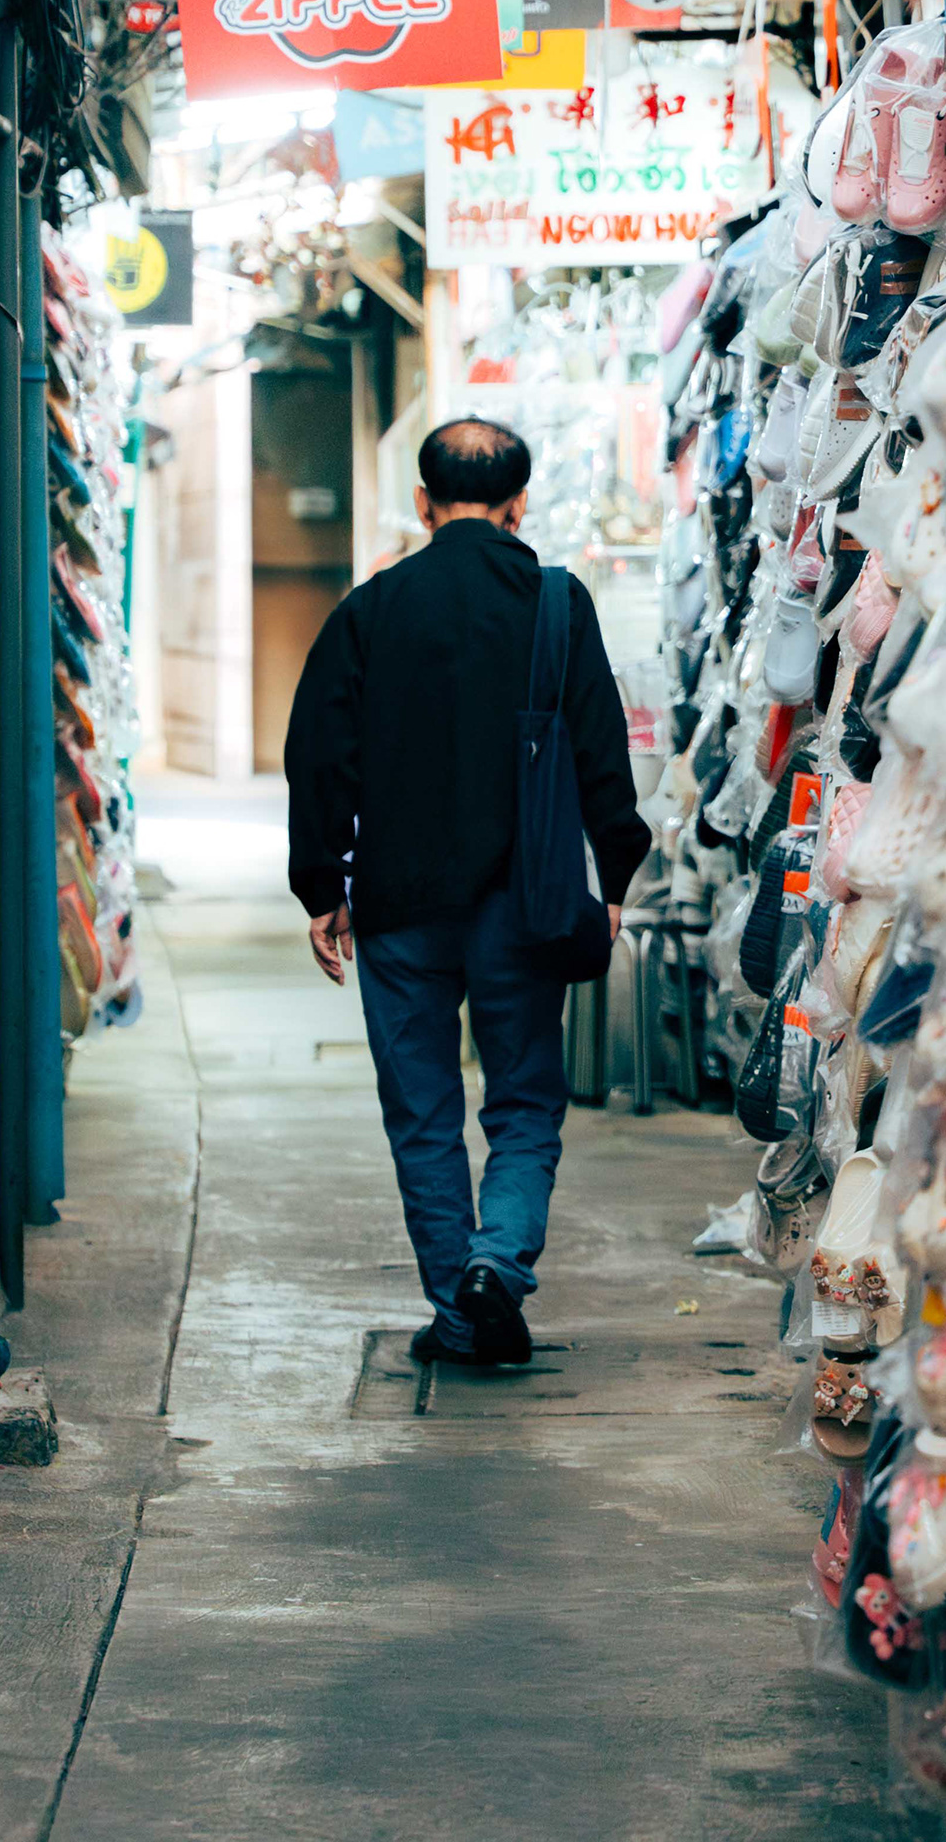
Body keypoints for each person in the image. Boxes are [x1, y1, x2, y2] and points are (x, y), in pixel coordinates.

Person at [286, 418, 650, 1368]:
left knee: (421, 1112)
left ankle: (459, 1313)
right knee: (524, 1103)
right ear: (521, 504)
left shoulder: (371, 610)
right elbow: (602, 755)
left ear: (422, 504)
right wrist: (612, 876)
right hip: (522, 905)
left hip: (400, 904)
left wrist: (323, 887)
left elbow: (319, 758)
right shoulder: (558, 608)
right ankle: (497, 1264)